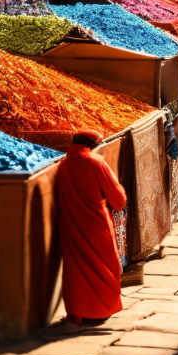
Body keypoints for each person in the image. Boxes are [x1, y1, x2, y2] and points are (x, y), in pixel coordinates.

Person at [55, 131, 127, 325]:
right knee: (104, 267)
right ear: (93, 145)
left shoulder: (63, 164)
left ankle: (78, 312)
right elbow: (119, 201)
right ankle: (101, 309)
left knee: (75, 270)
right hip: (97, 226)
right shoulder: (96, 163)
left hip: (70, 225)